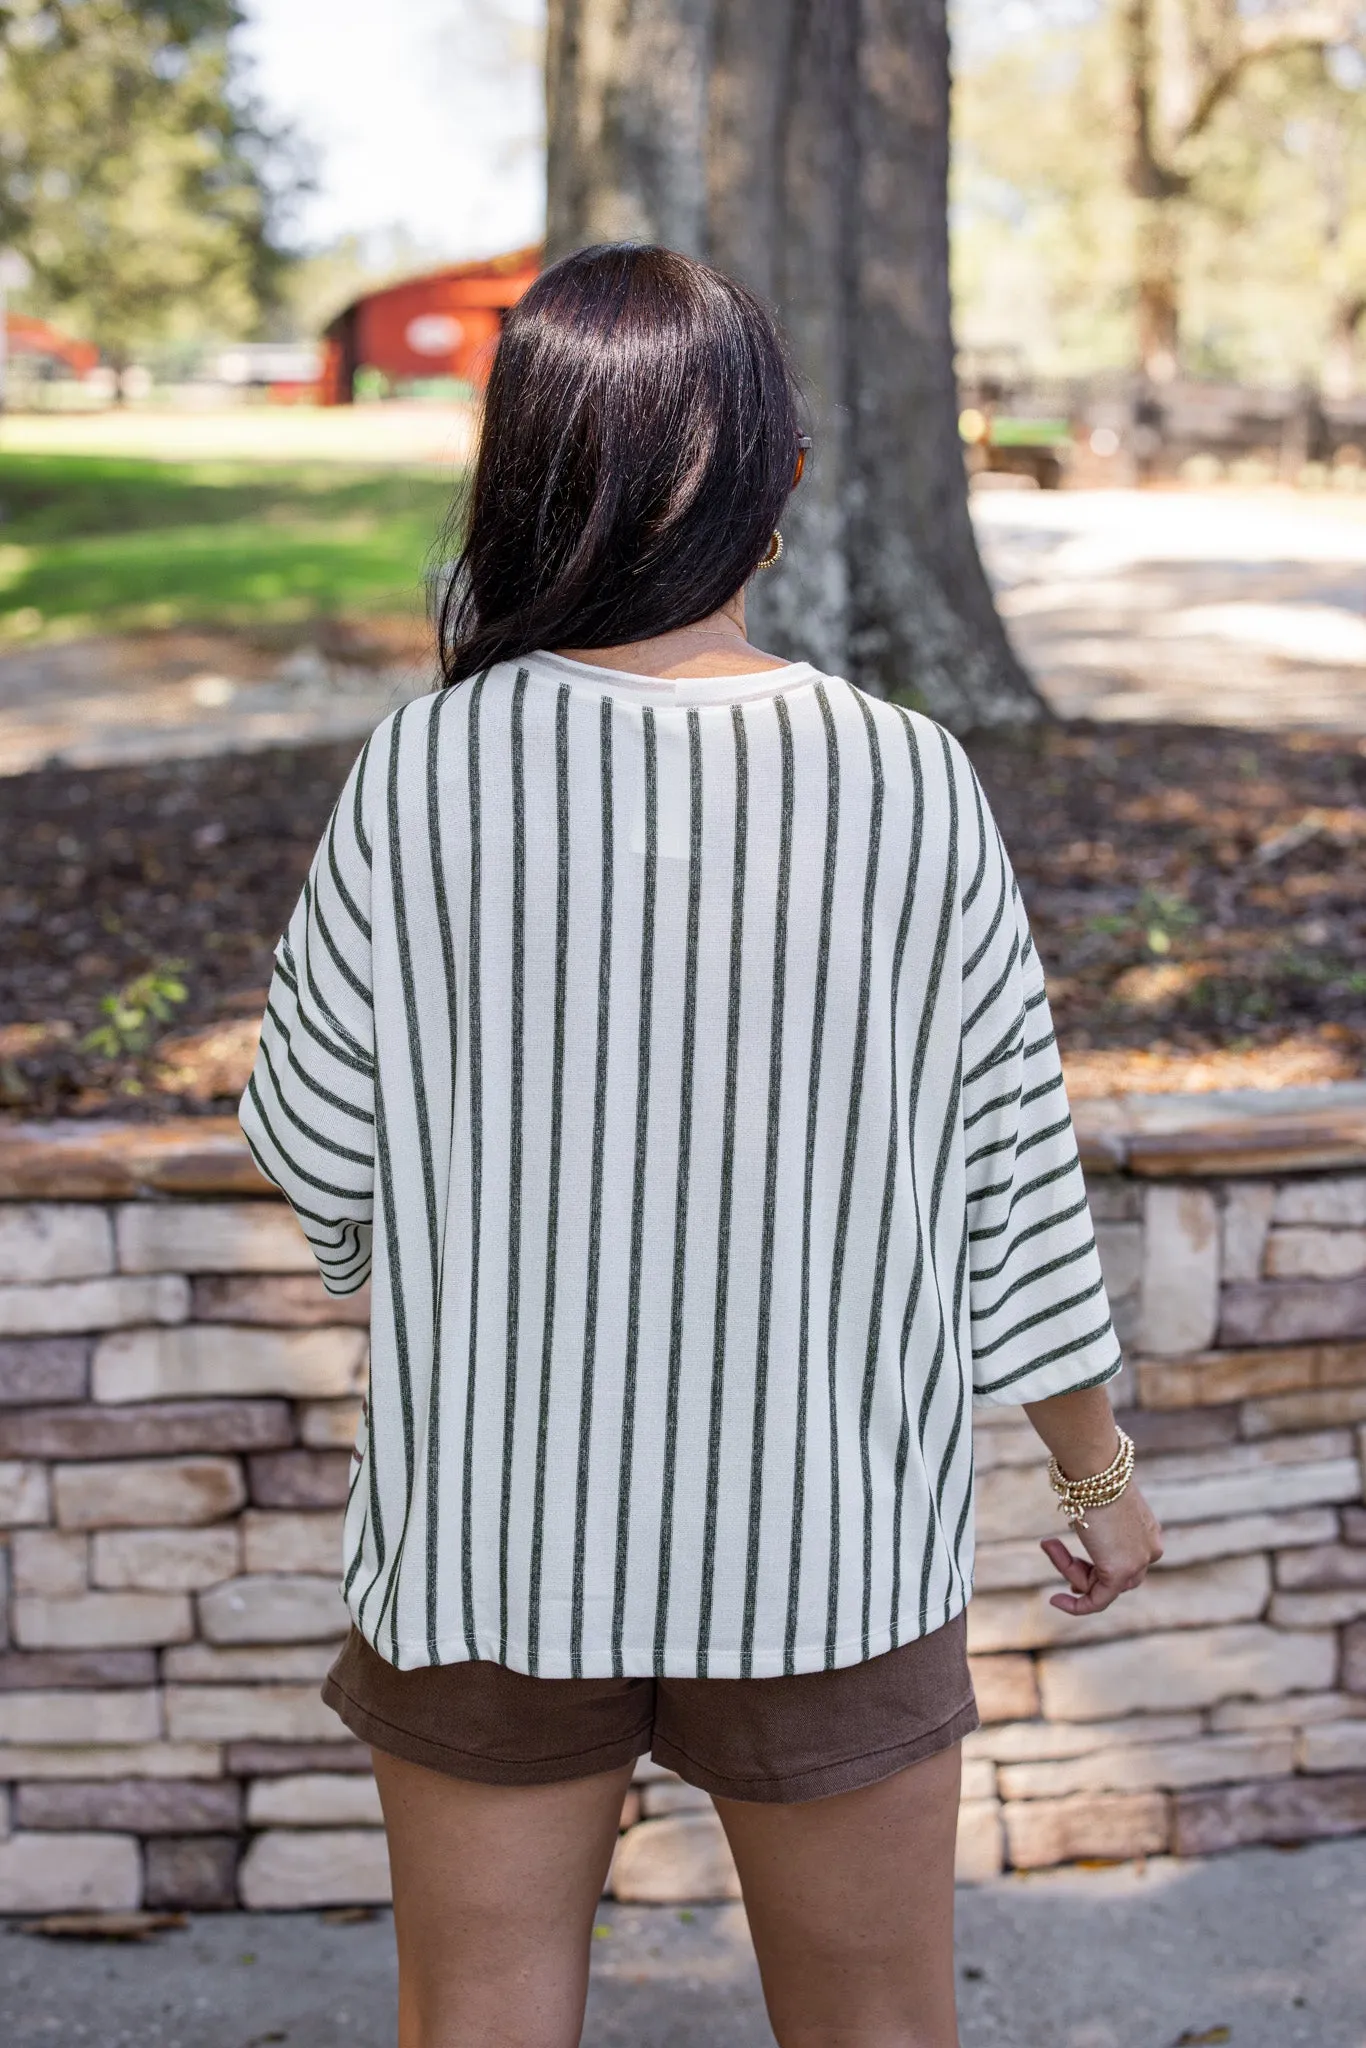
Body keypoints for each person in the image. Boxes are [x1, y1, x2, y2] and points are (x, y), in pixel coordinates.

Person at [240, 243, 1164, 2048]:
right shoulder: (907, 781)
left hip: (491, 1533)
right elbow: (1015, 1188)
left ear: (529, 473)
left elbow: (311, 1150)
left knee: (482, 2014)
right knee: (873, 2027)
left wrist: (429, 1250)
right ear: (777, 482)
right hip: (828, 1540)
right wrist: (1089, 1477)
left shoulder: (426, 770)